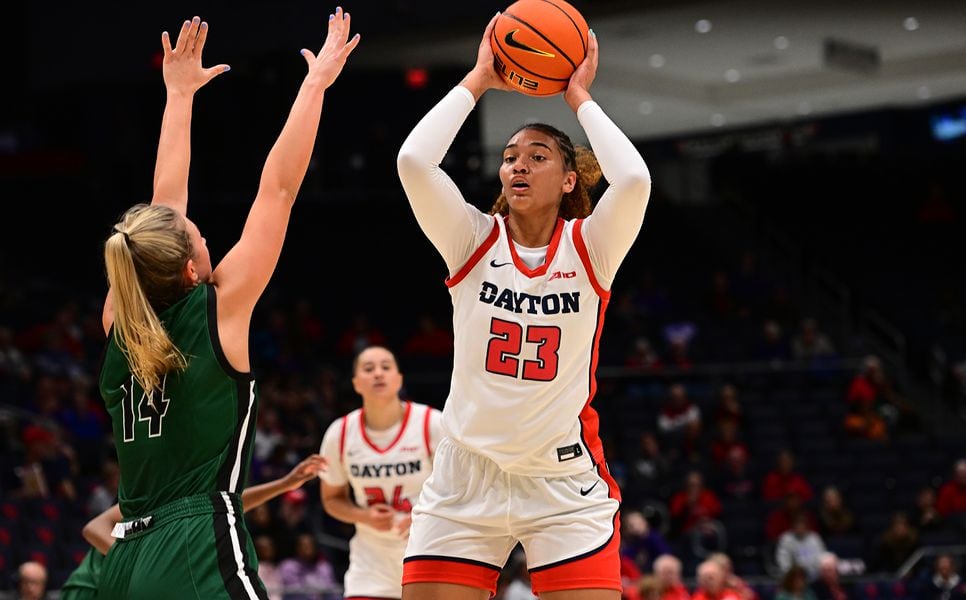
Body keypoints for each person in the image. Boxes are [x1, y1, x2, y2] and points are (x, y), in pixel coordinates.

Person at [91, 12, 359, 599]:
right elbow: (279, 190)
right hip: (194, 547)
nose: (207, 237)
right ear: (190, 267)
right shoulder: (217, 310)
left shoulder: (119, 320)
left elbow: (163, 208)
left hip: (123, 561)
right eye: (201, 239)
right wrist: (315, 86)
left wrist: (179, 96)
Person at [395, 11, 651, 600]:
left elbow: (633, 181)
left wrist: (578, 96)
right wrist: (479, 80)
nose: (518, 164)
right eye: (511, 156)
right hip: (464, 478)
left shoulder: (591, 245)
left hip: (560, 477)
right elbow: (413, 162)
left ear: (568, 180)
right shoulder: (471, 238)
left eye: (537, 156)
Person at [60, 454, 328, 599]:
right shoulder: (159, 492)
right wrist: (139, 563)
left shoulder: (195, 497)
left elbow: (228, 506)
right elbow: (94, 528)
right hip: (92, 586)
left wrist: (283, 484)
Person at [318, 345, 444, 600]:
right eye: (368, 369)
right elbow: (331, 499)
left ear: (399, 379)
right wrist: (364, 516)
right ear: (356, 383)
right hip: (370, 569)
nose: (378, 374)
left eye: (386, 367)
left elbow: (459, 487)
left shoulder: (432, 423)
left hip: (429, 554)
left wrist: (424, 516)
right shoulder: (339, 433)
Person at [775, 514, 827, 581]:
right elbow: (782, 559)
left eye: (802, 526)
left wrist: (814, 571)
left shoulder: (815, 538)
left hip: (814, 574)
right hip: (792, 575)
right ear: (793, 527)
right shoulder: (786, 539)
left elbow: (821, 557)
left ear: (807, 526)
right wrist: (790, 573)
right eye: (797, 526)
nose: (800, 528)